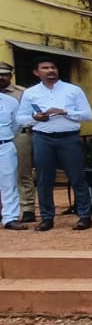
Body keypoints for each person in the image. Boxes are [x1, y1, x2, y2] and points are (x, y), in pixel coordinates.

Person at [17, 57, 92, 231]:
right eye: (45, 68)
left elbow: (87, 115)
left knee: (77, 177)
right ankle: (47, 218)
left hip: (69, 138)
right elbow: (20, 118)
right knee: (44, 179)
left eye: (53, 67)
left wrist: (64, 111)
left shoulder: (73, 90)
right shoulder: (30, 93)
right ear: (36, 72)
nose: (50, 70)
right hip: (43, 138)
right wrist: (35, 118)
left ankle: (84, 216)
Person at [0, 62, 34, 222]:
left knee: (22, 171)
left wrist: (10, 134)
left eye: (4, 74)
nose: (1, 77)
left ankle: (27, 207)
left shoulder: (21, 93)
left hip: (18, 135)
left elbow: (19, 121)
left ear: (11, 75)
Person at [1, 80, 23, 230]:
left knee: (9, 183)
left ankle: (10, 218)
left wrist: (5, 137)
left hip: (4, 145)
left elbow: (17, 124)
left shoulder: (10, 101)